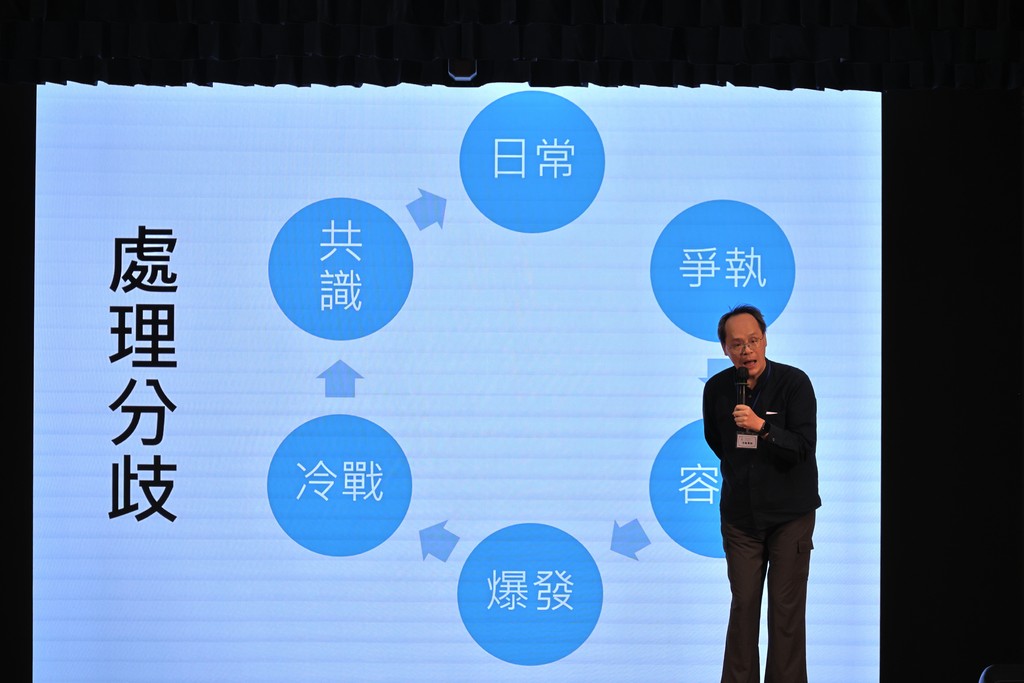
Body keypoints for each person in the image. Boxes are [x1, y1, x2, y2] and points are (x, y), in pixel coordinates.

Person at [702, 304, 820, 683]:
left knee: (785, 612)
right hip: (741, 518)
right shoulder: (717, 390)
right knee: (743, 607)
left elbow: (803, 447)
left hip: (790, 516)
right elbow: (718, 442)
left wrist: (762, 428)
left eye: (753, 340)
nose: (747, 350)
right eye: (737, 344)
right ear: (725, 349)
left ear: (765, 340)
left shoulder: (794, 383)